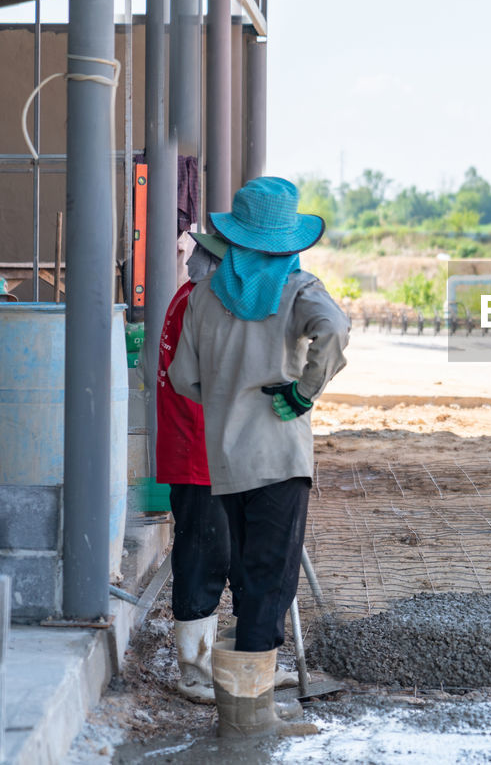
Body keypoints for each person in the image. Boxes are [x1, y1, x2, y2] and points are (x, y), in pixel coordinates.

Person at [170, 177, 349, 738]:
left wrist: (227, 403)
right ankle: (249, 723)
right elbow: (335, 331)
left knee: (251, 578)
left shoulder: (202, 297)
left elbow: (183, 378)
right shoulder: (297, 290)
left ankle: (245, 708)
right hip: (278, 461)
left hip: (225, 464)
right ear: (284, 241)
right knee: (270, 584)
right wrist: (301, 393)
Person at [157, 232, 231, 703]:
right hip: (198, 450)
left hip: (202, 447)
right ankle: (192, 669)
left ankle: (207, 661)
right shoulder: (199, 303)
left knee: (212, 553)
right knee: (203, 557)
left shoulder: (191, 296)